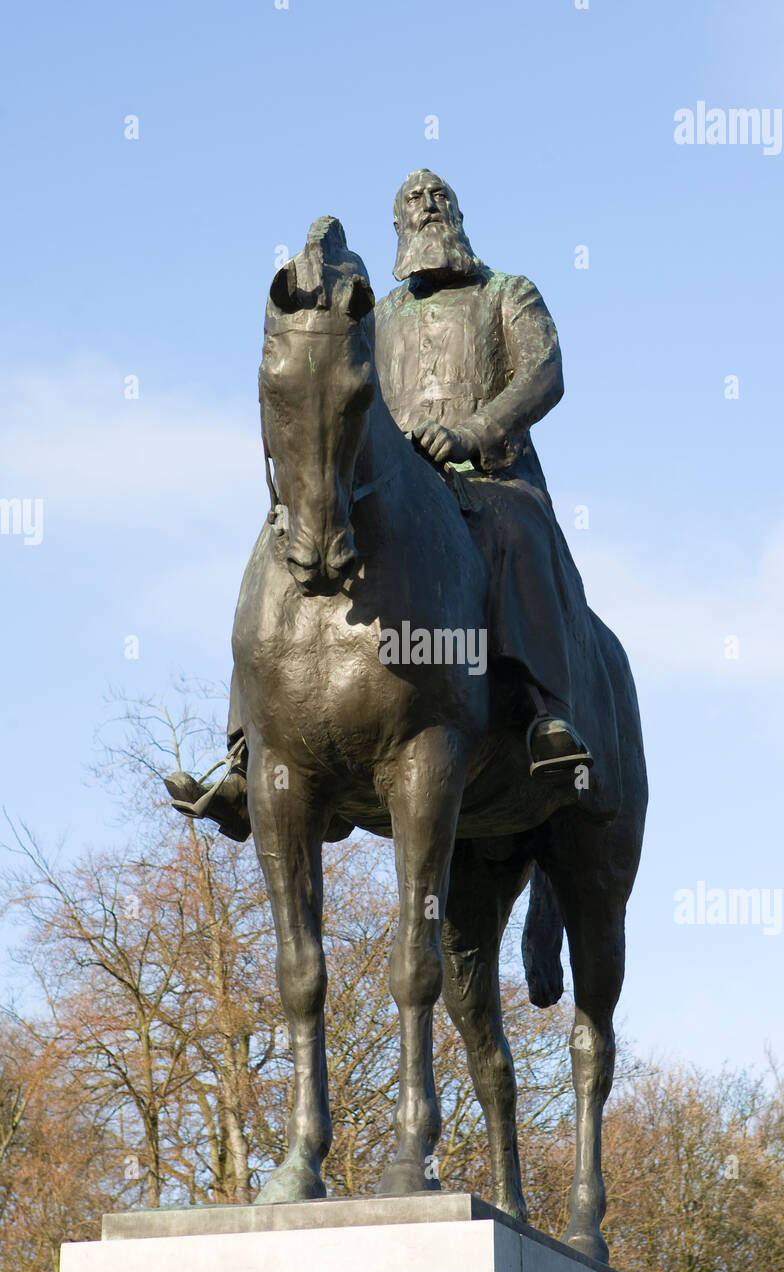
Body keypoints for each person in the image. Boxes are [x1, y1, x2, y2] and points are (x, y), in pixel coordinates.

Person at [166, 171, 618, 840]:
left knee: (517, 529)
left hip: (487, 478)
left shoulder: (506, 293)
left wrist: (472, 430)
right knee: (279, 536)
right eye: (414, 202)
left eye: (440, 199)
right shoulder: (377, 316)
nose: (428, 207)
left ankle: (543, 713)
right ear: (399, 228)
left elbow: (543, 375)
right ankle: (246, 751)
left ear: (458, 215)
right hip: (398, 485)